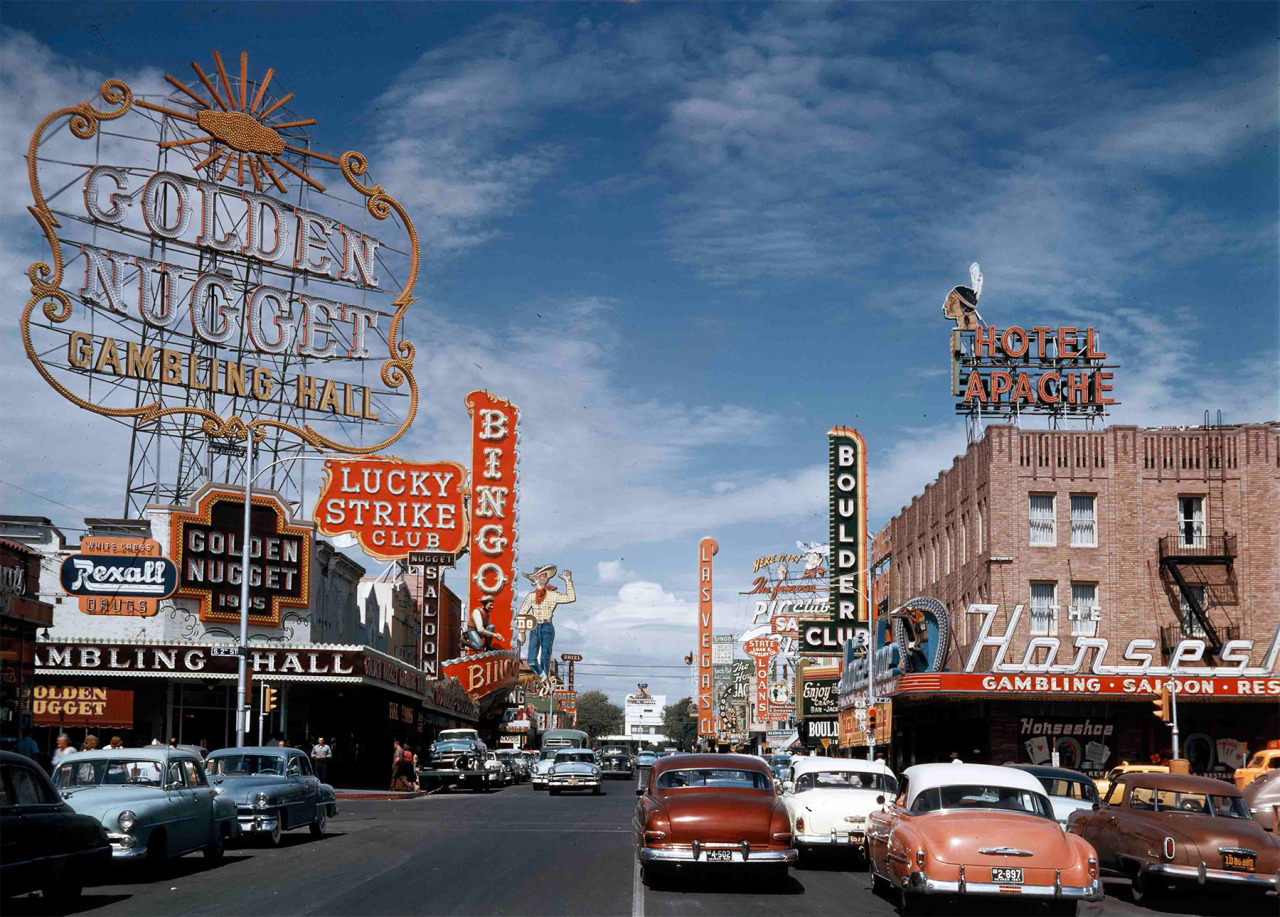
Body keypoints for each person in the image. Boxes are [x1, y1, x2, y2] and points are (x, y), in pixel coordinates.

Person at [515, 565, 575, 677]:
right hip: (534, 626)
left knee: (545, 657)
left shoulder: (552, 595)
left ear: (547, 579)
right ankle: (544, 678)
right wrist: (522, 632)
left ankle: (544, 681)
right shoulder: (531, 596)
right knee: (531, 660)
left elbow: (570, 598)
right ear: (535, 578)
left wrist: (568, 581)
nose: (543, 577)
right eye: (540, 575)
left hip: (547, 625)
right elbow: (522, 613)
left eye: (545, 575)